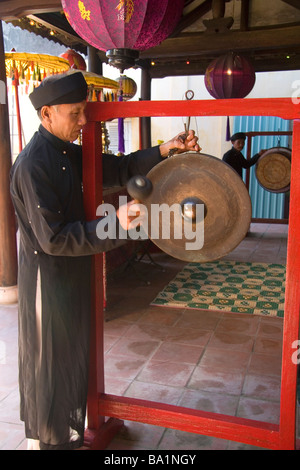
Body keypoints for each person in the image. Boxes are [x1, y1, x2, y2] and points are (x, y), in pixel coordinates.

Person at [10, 72, 200, 450]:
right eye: (75, 113)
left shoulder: (65, 151)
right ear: (46, 114)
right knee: (49, 364)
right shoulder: (33, 165)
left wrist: (165, 150)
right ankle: (44, 441)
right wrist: (114, 222)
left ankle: (67, 434)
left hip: (72, 272)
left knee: (73, 356)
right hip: (46, 281)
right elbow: (54, 238)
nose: (83, 122)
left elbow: (116, 168)